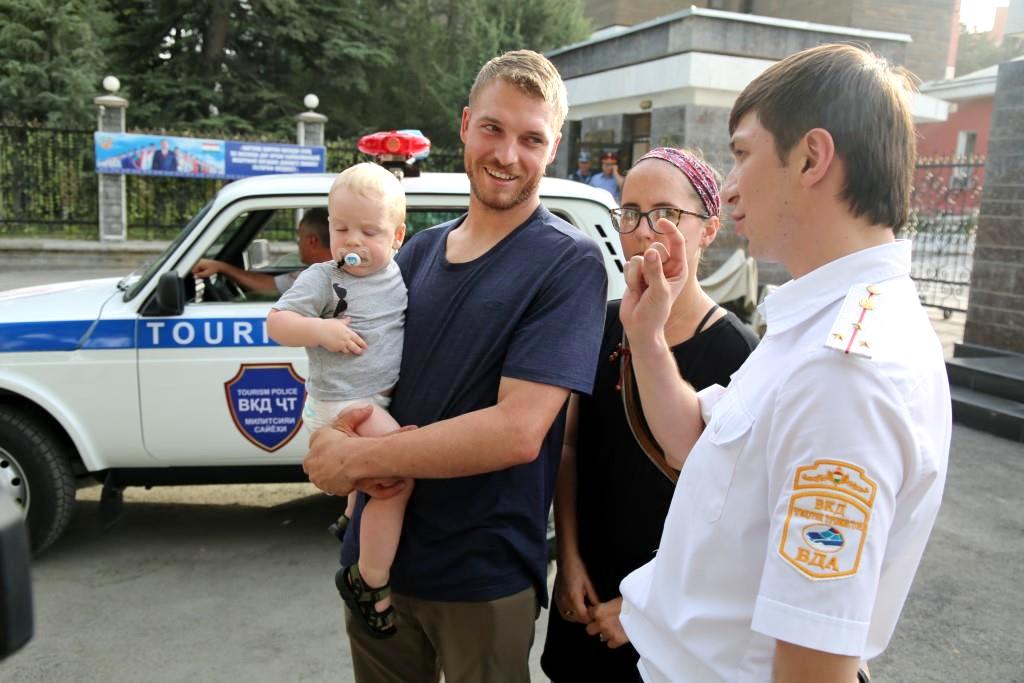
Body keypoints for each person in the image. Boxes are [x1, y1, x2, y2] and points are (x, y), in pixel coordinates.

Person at [616, 44, 952, 682]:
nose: (731, 186)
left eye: (742, 153)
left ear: (812, 157)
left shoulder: (844, 370)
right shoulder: (817, 326)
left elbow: (813, 663)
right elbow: (695, 438)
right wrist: (649, 339)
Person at [303, 50, 608, 683]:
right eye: (493, 128)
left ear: (551, 149)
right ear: (466, 124)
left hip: (479, 577)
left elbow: (519, 431)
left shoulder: (567, 262)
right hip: (376, 566)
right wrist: (330, 434)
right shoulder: (414, 252)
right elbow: (365, 372)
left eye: (531, 138)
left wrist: (357, 461)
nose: (507, 154)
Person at [540, 147, 758, 682]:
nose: (641, 230)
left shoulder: (738, 353)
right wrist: (567, 560)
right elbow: (571, 446)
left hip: (676, 613)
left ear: (707, 229)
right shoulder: (600, 322)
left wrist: (645, 607)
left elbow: (734, 518)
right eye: (629, 211)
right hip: (585, 583)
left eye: (665, 213)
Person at [267, 162, 409, 639]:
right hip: (345, 405)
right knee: (397, 475)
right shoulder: (324, 279)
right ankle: (370, 578)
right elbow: (277, 323)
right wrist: (320, 330)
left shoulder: (397, 275)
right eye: (341, 228)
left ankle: (351, 516)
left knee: (373, 478)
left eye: (369, 230)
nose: (352, 241)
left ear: (397, 237)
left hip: (375, 399)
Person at [191, 208, 332, 295]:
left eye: (300, 237)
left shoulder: (318, 277)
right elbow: (272, 284)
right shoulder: (327, 272)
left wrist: (222, 267)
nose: (298, 243)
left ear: (312, 241)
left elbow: (267, 286)